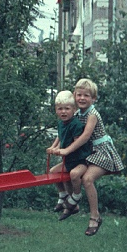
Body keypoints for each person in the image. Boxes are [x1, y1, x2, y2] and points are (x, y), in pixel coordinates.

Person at [55, 78, 124, 236]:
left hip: (100, 152)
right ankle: (73, 203)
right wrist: (57, 147)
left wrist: (66, 151)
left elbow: (85, 137)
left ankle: (95, 217)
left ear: (93, 99)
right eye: (79, 95)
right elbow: (65, 131)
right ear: (74, 95)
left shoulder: (92, 114)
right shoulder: (77, 113)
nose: (82, 98)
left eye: (86, 95)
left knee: (87, 179)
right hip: (86, 152)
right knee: (62, 172)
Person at [46, 90, 92, 221]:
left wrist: (64, 150)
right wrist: (53, 147)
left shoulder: (76, 124)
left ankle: (76, 196)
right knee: (53, 173)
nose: (63, 112)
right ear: (56, 110)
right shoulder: (61, 123)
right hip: (69, 161)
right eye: (60, 109)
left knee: (74, 175)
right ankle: (63, 195)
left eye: (67, 109)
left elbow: (78, 143)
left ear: (74, 109)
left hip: (81, 160)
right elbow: (60, 137)